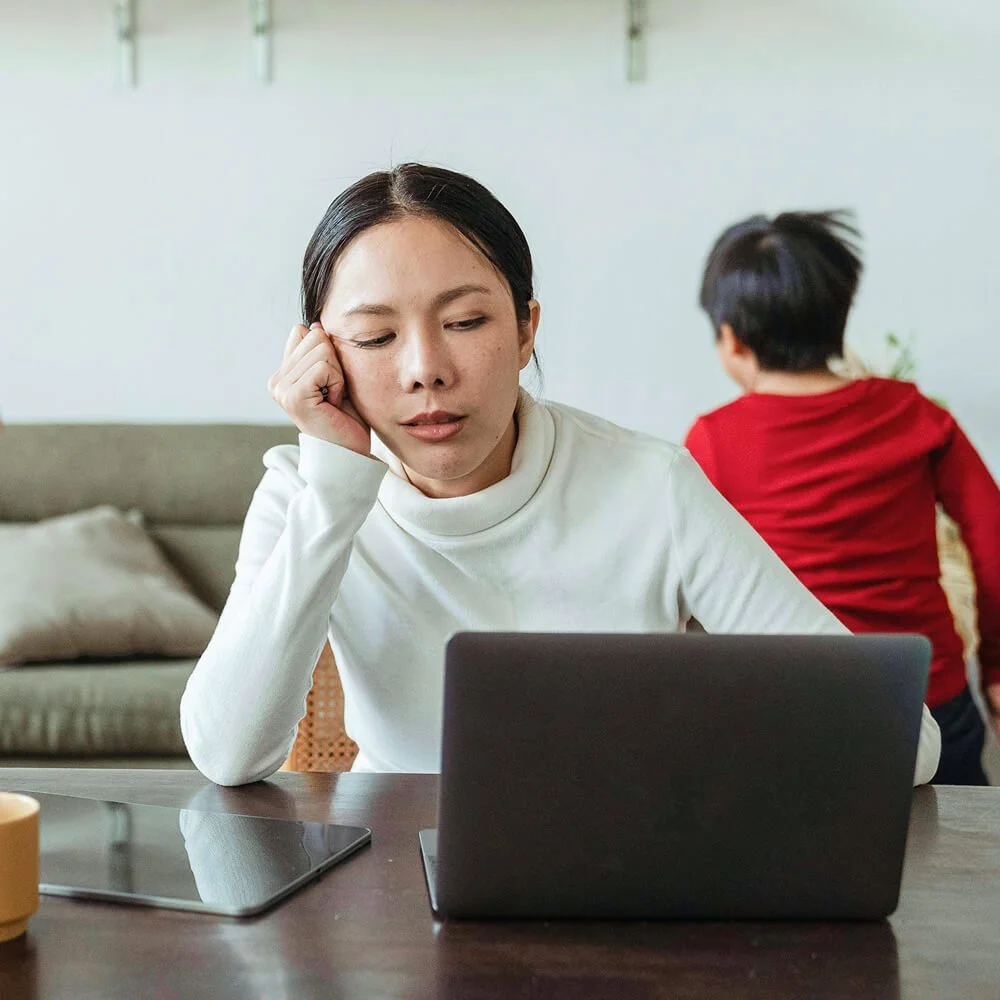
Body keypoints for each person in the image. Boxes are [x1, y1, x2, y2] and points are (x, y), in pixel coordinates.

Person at [180, 168, 940, 786]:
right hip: (390, 884)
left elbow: (904, 743)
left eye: (467, 322)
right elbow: (226, 754)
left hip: (624, 871)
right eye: (376, 336)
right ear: (322, 356)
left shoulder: (651, 485)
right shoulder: (303, 494)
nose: (425, 372)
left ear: (525, 331)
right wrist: (335, 487)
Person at [684, 210, 999, 785]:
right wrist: (998, 669)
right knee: (960, 868)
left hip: (796, 711)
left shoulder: (711, 440)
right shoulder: (915, 414)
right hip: (931, 701)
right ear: (839, 317)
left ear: (730, 337)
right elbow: (994, 540)